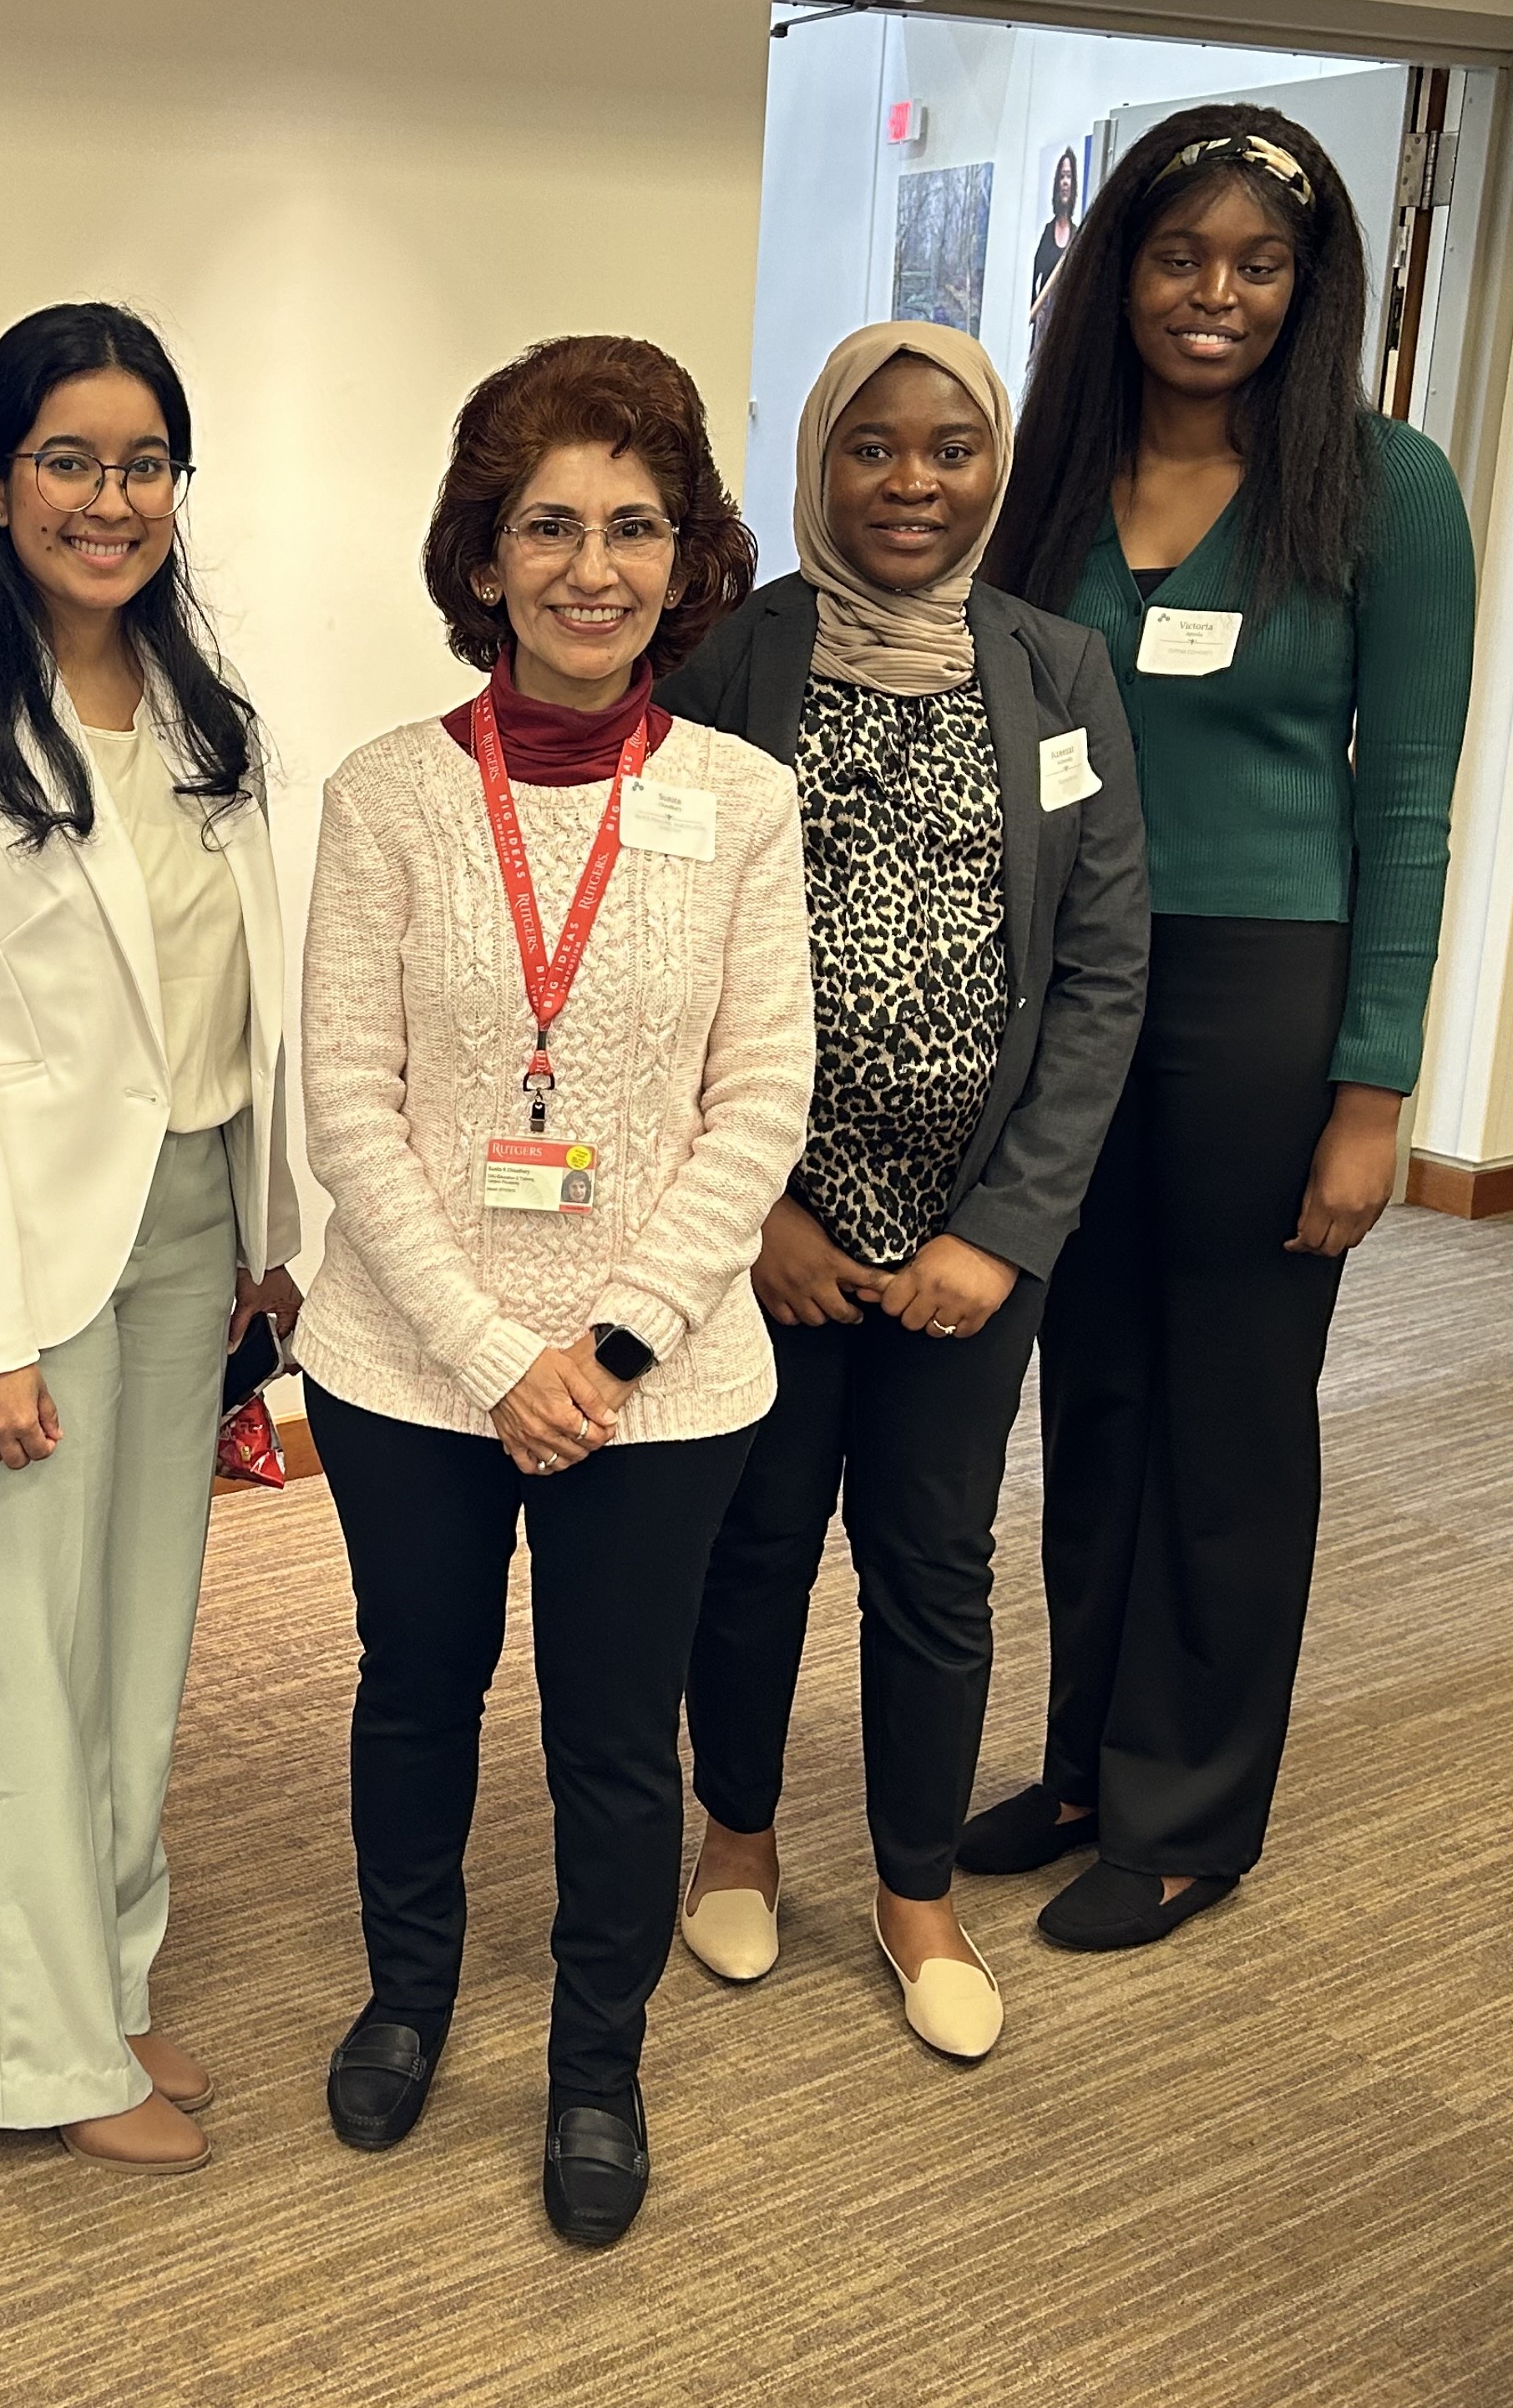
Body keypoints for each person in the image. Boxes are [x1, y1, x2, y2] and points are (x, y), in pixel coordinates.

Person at [294, 334, 812, 2245]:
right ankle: (409, 1995)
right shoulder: (388, 797)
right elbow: (348, 1094)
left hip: (656, 1385)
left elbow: (760, 1101)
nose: (594, 565)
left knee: (615, 1732)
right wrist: (491, 1348)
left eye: (637, 526)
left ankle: (599, 2063)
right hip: (405, 1364)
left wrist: (603, 1344)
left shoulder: (742, 805)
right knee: (415, 1693)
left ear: (687, 557)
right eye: (550, 526)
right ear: (485, 558)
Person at [970, 107, 1475, 1948]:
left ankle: (1193, 1810)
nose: (1216, 295)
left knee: (1233, 1402)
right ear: (1121, 270)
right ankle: (1092, 1758)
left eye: (1258, 264)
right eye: (1181, 256)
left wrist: (1375, 1086)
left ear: (1307, 284)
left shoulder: (1383, 485)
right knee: (1089, 1386)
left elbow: (1408, 795)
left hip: (1268, 987)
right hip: (1072, 986)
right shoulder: (1053, 481)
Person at [0, 302, 301, 2177]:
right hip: (20, 1255)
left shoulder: (208, 713)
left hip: (195, 1217)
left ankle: (101, 1981)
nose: (110, 500)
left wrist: (270, 1228)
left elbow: (243, 995)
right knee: (19, 1649)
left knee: (140, 1638)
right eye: (68, 461)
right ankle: (33, 2048)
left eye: (142, 463)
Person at [659, 322, 1148, 2062]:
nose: (914, 481)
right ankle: (734, 1835)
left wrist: (1003, 1232)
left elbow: (1101, 971)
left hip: (965, 1240)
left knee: (934, 1562)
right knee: (755, 1546)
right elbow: (670, 959)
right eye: (874, 446)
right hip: (764, 1228)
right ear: (820, 459)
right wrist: (754, 1213)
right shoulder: (731, 658)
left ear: (992, 462)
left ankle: (915, 1885)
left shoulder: (1061, 670)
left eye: (949, 446)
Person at [1030, 144, 1082, 365]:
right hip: (1043, 325)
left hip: (1067, 325)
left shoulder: (1078, 236)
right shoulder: (1047, 233)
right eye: (1061, 176)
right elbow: (1035, 278)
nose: (1065, 183)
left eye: (1069, 177)